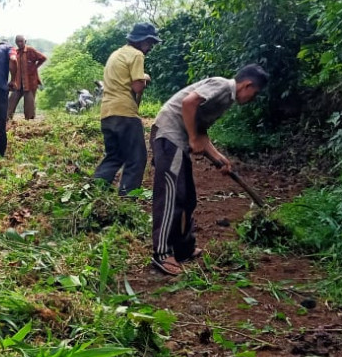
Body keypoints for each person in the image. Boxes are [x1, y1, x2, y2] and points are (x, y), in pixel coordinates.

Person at [149, 65, 269, 275]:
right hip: (169, 135)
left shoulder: (225, 100)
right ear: (247, 85)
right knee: (172, 195)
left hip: (179, 141)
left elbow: (199, 129)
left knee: (187, 198)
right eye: (255, 93)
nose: (253, 98)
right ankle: (161, 253)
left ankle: (183, 249)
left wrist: (218, 158)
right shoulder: (222, 86)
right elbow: (189, 103)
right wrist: (193, 139)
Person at [92, 22, 161, 195]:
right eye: (150, 43)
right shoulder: (136, 55)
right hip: (125, 113)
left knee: (114, 156)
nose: (150, 47)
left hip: (107, 113)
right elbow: (138, 87)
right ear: (142, 40)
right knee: (137, 159)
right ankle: (127, 200)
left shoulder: (116, 54)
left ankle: (93, 192)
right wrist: (145, 78)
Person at [7, 35, 48, 120]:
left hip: (30, 82)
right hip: (18, 83)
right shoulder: (16, 52)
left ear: (25, 41)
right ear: (16, 42)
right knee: (11, 101)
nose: (20, 43)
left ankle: (28, 121)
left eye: (21, 41)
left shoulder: (30, 50)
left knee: (29, 104)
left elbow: (43, 58)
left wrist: (35, 67)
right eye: (18, 42)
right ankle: (7, 119)